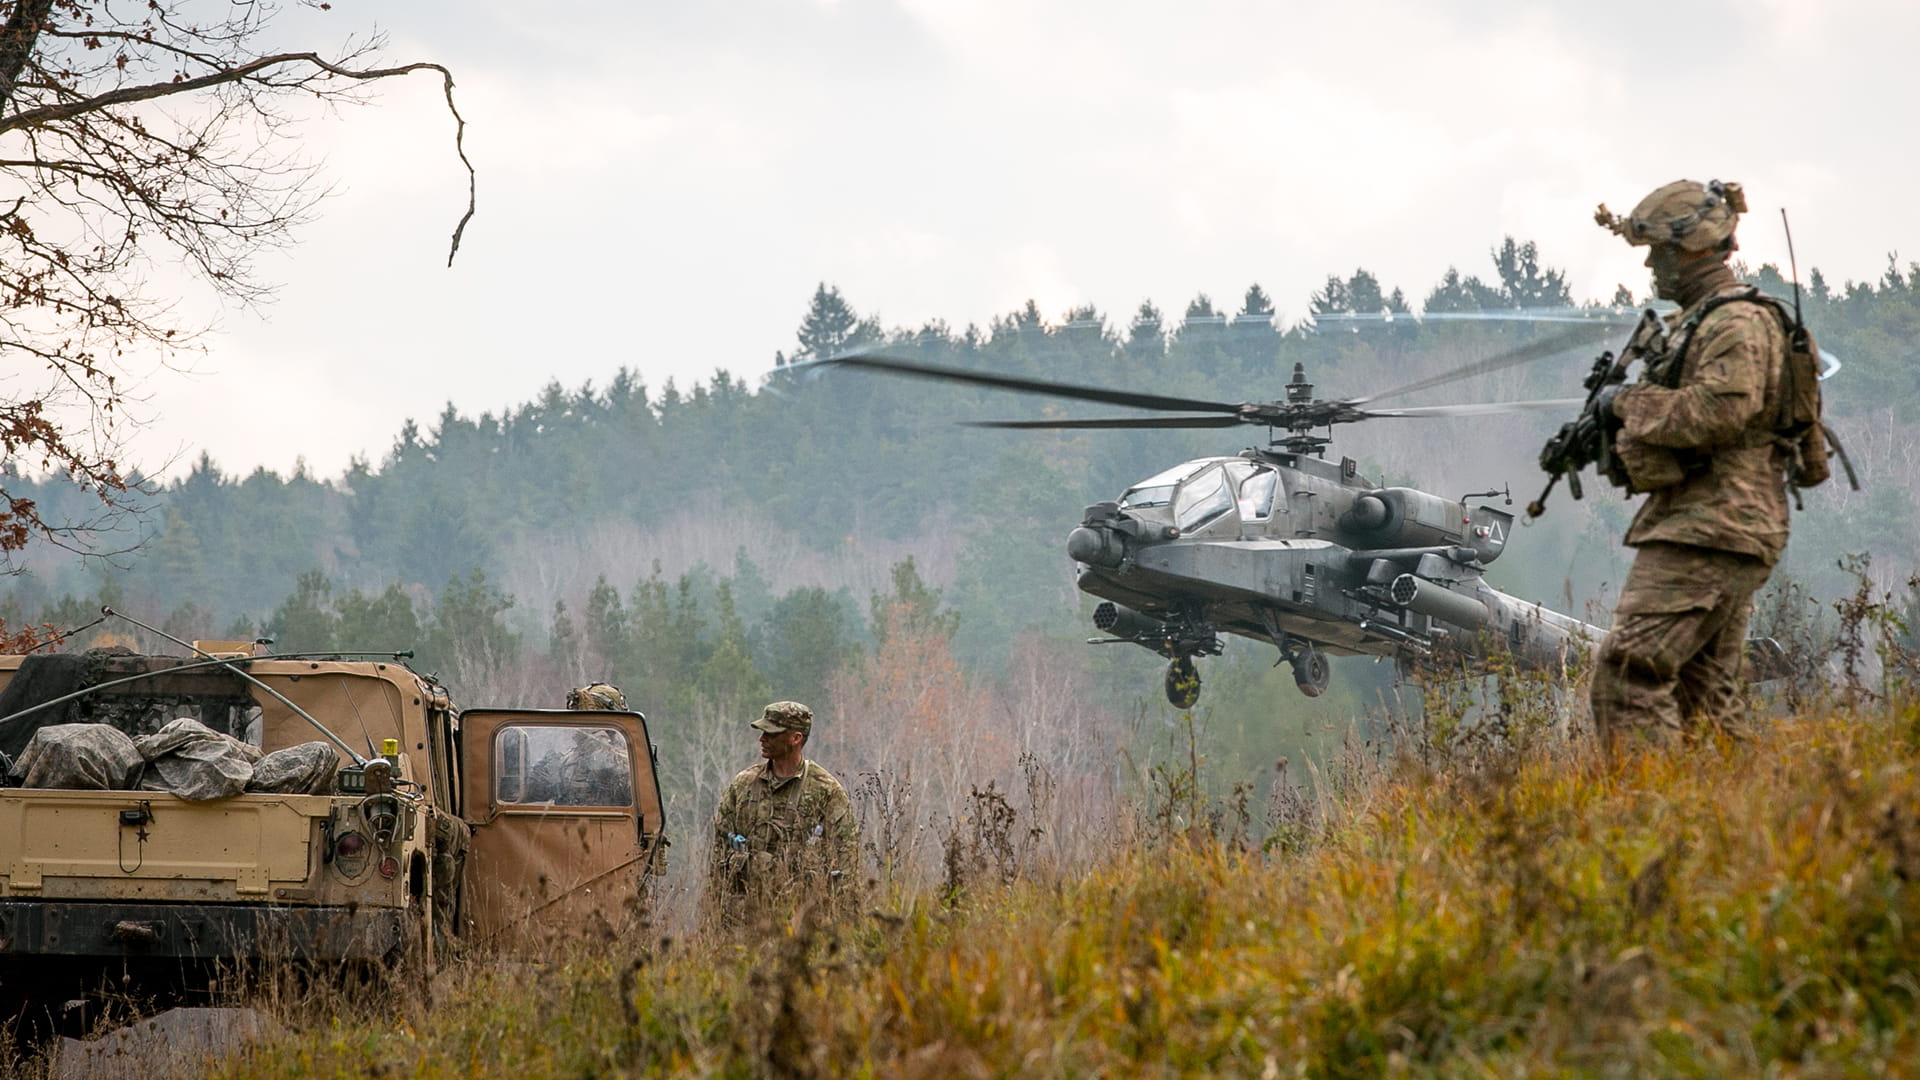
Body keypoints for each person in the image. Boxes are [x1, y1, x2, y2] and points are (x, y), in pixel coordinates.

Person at [1587, 179, 1791, 755]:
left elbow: (1719, 410)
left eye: (1661, 251)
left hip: (1713, 523)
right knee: (1707, 701)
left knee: (1628, 678)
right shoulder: (1704, 321)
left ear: (1695, 250)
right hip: (1718, 522)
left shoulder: (1735, 322)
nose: (1652, 264)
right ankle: (1743, 829)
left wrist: (1625, 404)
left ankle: (1648, 830)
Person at [708, 701, 859, 926]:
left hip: (804, 924)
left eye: (771, 733)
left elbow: (846, 862)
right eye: (762, 733)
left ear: (795, 738)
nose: (762, 739)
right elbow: (719, 852)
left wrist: (843, 926)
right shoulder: (742, 786)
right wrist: (714, 915)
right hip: (744, 920)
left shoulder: (826, 791)